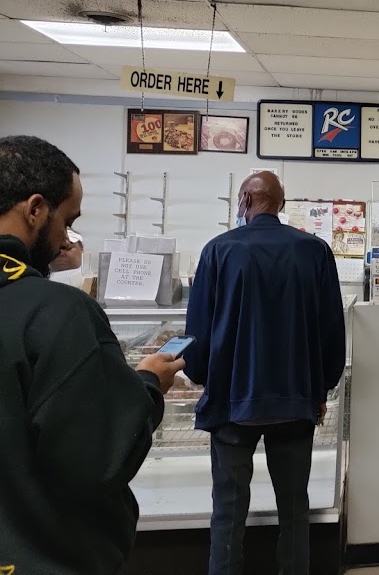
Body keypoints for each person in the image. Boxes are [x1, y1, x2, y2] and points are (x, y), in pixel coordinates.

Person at [0, 135, 185, 575]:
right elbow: (101, 458)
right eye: (68, 220)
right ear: (35, 209)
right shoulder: (54, 312)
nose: (66, 238)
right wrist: (147, 385)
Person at [185, 171, 345, 575]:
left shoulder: (218, 251)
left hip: (232, 403)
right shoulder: (315, 251)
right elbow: (331, 328)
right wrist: (322, 388)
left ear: (244, 200)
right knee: (294, 510)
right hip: (295, 401)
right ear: (281, 203)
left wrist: (205, 379)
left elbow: (198, 332)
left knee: (228, 510)